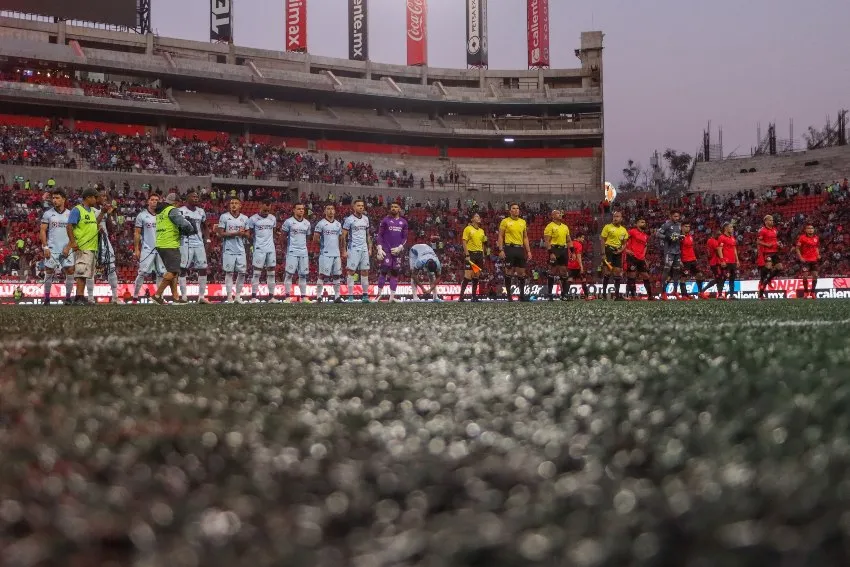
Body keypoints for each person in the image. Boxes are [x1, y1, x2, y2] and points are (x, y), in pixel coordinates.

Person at [151, 193, 197, 304]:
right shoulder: (172, 210)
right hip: (170, 244)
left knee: (173, 273)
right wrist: (191, 228)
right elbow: (182, 223)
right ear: (175, 202)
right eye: (178, 203)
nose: (179, 205)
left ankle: (176, 298)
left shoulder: (161, 211)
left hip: (161, 243)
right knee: (173, 271)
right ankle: (157, 295)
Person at [66, 188, 108, 305]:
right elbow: (69, 226)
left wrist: (102, 214)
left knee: (85, 273)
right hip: (82, 246)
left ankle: (80, 296)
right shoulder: (77, 210)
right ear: (88, 197)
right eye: (95, 197)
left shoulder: (91, 211)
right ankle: (78, 297)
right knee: (81, 272)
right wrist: (73, 242)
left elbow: (94, 223)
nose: (96, 200)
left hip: (91, 246)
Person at [40, 189, 74, 305]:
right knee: (49, 271)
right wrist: (45, 247)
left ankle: (68, 298)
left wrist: (68, 247)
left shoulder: (70, 214)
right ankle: (47, 298)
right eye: (53, 198)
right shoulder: (48, 214)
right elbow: (42, 231)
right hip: (52, 249)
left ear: (63, 199)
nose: (54, 200)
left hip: (66, 248)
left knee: (70, 270)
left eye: (57, 198)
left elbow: (74, 233)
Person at [178, 191, 211, 304]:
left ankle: (201, 297)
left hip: (199, 243)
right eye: (194, 197)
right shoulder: (180, 211)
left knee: (203, 268)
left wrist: (208, 240)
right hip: (185, 242)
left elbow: (205, 227)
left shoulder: (201, 211)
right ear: (187, 198)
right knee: (183, 269)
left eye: (197, 197)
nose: (196, 198)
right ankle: (184, 296)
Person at [217, 198, 251, 303]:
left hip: (241, 249)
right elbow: (221, 233)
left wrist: (243, 233)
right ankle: (229, 297)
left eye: (236, 203)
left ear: (240, 205)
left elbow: (248, 234)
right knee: (229, 273)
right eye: (232, 203)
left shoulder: (245, 218)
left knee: (242, 272)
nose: (233, 205)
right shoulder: (224, 217)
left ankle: (237, 296)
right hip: (228, 249)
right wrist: (236, 233)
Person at [133, 194, 165, 302]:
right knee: (142, 273)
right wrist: (136, 249)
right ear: (148, 201)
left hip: (161, 249)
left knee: (161, 273)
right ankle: (135, 297)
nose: (154, 201)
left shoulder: (162, 215)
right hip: (147, 249)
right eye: (152, 200)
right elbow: (137, 233)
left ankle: (160, 297)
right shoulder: (142, 215)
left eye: (157, 200)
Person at [91, 189, 121, 304]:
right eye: (102, 196)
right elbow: (93, 225)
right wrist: (103, 212)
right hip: (92, 241)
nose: (104, 198)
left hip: (104, 241)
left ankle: (115, 297)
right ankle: (90, 298)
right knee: (90, 269)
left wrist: (109, 214)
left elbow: (111, 229)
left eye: (105, 196)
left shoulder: (103, 209)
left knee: (111, 267)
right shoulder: (90, 210)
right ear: (95, 197)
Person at [498, 203, 532, 302]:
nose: (516, 210)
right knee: (509, 272)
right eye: (514, 208)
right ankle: (509, 296)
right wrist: (501, 249)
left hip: (520, 249)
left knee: (522, 273)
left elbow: (525, 237)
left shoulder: (523, 222)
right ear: (510, 211)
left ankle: (522, 296)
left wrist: (528, 251)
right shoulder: (505, 221)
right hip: (509, 248)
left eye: (517, 208)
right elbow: (500, 236)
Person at [375, 202, 408, 302]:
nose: (393, 208)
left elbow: (405, 237)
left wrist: (400, 247)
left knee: (395, 273)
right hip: (386, 251)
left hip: (397, 252)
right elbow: (380, 235)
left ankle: (392, 297)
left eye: (396, 207)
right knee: (384, 271)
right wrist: (379, 248)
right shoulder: (385, 220)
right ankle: (378, 295)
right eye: (392, 207)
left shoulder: (404, 222)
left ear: (399, 209)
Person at [341, 199, 372, 302]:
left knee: (365, 271)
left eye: (362, 205)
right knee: (351, 271)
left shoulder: (366, 219)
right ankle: (350, 296)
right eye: (358, 205)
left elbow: (368, 235)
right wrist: (344, 250)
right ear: (354, 207)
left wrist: (370, 247)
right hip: (353, 247)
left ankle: (365, 296)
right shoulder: (349, 219)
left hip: (364, 248)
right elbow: (343, 236)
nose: (361, 207)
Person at [248, 199, 279, 303]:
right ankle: (253, 297)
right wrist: (253, 246)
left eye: (268, 210)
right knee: (256, 273)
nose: (266, 212)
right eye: (265, 210)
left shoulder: (272, 218)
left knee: (272, 273)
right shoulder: (253, 219)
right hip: (259, 248)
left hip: (270, 249)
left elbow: (274, 232)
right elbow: (249, 234)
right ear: (260, 206)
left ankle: (271, 297)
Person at [281, 203, 313, 303]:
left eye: (302, 209)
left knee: (303, 275)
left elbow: (308, 237)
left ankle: (303, 297)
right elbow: (283, 236)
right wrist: (285, 249)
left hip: (303, 252)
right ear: (294, 210)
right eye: (299, 209)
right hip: (292, 251)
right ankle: (287, 297)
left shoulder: (307, 223)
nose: (301, 210)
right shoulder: (288, 222)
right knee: (289, 274)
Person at [313, 203, 344, 303]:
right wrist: (323, 245)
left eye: (332, 209)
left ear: (334, 211)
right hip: (325, 253)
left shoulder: (338, 224)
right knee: (322, 275)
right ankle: (318, 296)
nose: (330, 211)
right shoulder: (321, 223)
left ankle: (337, 296)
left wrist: (342, 250)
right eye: (328, 209)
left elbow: (341, 239)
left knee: (337, 275)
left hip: (336, 253)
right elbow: (315, 238)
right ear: (325, 211)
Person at [543, 209, 571, 301]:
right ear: (553, 216)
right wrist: (551, 252)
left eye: (560, 213)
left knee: (564, 272)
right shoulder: (549, 226)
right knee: (552, 271)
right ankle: (550, 294)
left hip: (563, 249)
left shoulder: (565, 227)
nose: (560, 215)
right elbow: (547, 241)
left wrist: (572, 251)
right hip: (554, 249)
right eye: (558, 213)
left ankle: (564, 294)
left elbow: (569, 240)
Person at [600, 211, 628, 301]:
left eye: (617, 216)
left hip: (618, 252)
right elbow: (602, 240)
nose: (615, 218)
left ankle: (617, 296)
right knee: (607, 272)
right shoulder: (607, 227)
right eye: (614, 216)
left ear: (621, 218)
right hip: (608, 250)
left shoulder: (624, 230)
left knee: (617, 272)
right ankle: (604, 295)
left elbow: (624, 243)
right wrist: (603, 253)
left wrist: (621, 250)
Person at [656, 210, 683, 300]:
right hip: (669, 251)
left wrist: (680, 237)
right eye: (675, 216)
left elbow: (678, 236)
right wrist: (666, 237)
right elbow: (658, 233)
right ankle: (663, 292)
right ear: (671, 216)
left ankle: (675, 291)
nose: (676, 218)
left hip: (677, 251)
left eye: (678, 216)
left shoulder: (679, 225)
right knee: (666, 270)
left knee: (676, 271)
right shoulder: (666, 225)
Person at [460, 213, 486, 302]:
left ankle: (474, 297)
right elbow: (464, 242)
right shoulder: (468, 229)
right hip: (471, 254)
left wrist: (483, 255)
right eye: (476, 216)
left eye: (479, 216)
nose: (479, 218)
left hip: (479, 255)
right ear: (472, 219)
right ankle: (461, 297)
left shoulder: (482, 231)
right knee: (468, 276)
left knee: (476, 276)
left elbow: (483, 243)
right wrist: (467, 254)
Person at [624, 218, 652, 300]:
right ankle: (632, 295)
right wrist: (626, 250)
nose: (644, 223)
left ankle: (650, 296)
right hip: (632, 257)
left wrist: (643, 256)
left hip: (641, 259)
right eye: (642, 222)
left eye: (644, 222)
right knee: (632, 276)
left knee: (646, 276)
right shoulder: (632, 231)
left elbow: (645, 246)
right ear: (637, 224)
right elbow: (623, 240)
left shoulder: (645, 235)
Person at [757, 214, 783, 299]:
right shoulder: (762, 230)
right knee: (768, 268)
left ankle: (768, 280)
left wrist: (779, 244)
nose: (772, 221)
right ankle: (762, 287)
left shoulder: (775, 230)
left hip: (775, 252)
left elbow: (775, 240)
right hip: (767, 252)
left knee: (780, 268)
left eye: (772, 220)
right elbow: (758, 241)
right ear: (766, 221)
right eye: (770, 220)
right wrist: (767, 244)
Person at [679, 222, 703, 300]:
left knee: (699, 275)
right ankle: (684, 295)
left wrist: (695, 257)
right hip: (685, 260)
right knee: (684, 277)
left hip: (692, 259)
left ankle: (700, 293)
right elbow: (677, 249)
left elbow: (691, 248)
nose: (687, 228)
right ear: (682, 227)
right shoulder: (680, 237)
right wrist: (679, 260)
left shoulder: (690, 236)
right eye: (686, 226)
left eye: (688, 226)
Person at [796, 223, 820, 299]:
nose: (810, 230)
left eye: (812, 228)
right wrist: (800, 257)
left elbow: (816, 247)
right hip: (805, 260)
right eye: (808, 228)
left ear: (813, 230)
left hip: (814, 260)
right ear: (806, 230)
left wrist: (818, 255)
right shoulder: (802, 238)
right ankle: (806, 292)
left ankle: (813, 292)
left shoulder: (816, 238)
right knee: (805, 276)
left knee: (815, 276)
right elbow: (797, 248)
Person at [717, 222, 739, 300]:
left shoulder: (732, 238)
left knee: (732, 278)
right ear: (726, 228)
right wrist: (722, 260)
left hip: (733, 261)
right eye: (731, 227)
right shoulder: (722, 237)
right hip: (726, 261)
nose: (732, 229)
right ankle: (720, 295)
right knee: (723, 278)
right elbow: (719, 249)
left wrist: (737, 260)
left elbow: (734, 249)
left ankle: (731, 295)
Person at [702, 227, 725, 298]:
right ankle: (719, 294)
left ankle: (703, 291)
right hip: (715, 262)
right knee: (719, 278)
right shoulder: (713, 241)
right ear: (714, 234)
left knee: (720, 278)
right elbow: (718, 251)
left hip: (715, 262)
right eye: (718, 235)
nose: (719, 236)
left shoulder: (710, 240)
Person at [567, 234, 588, 300]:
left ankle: (565, 295)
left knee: (570, 279)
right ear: (578, 237)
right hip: (577, 265)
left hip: (570, 264)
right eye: (582, 238)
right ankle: (586, 296)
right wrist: (581, 266)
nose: (583, 239)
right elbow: (578, 256)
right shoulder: (579, 245)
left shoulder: (570, 243)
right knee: (583, 279)